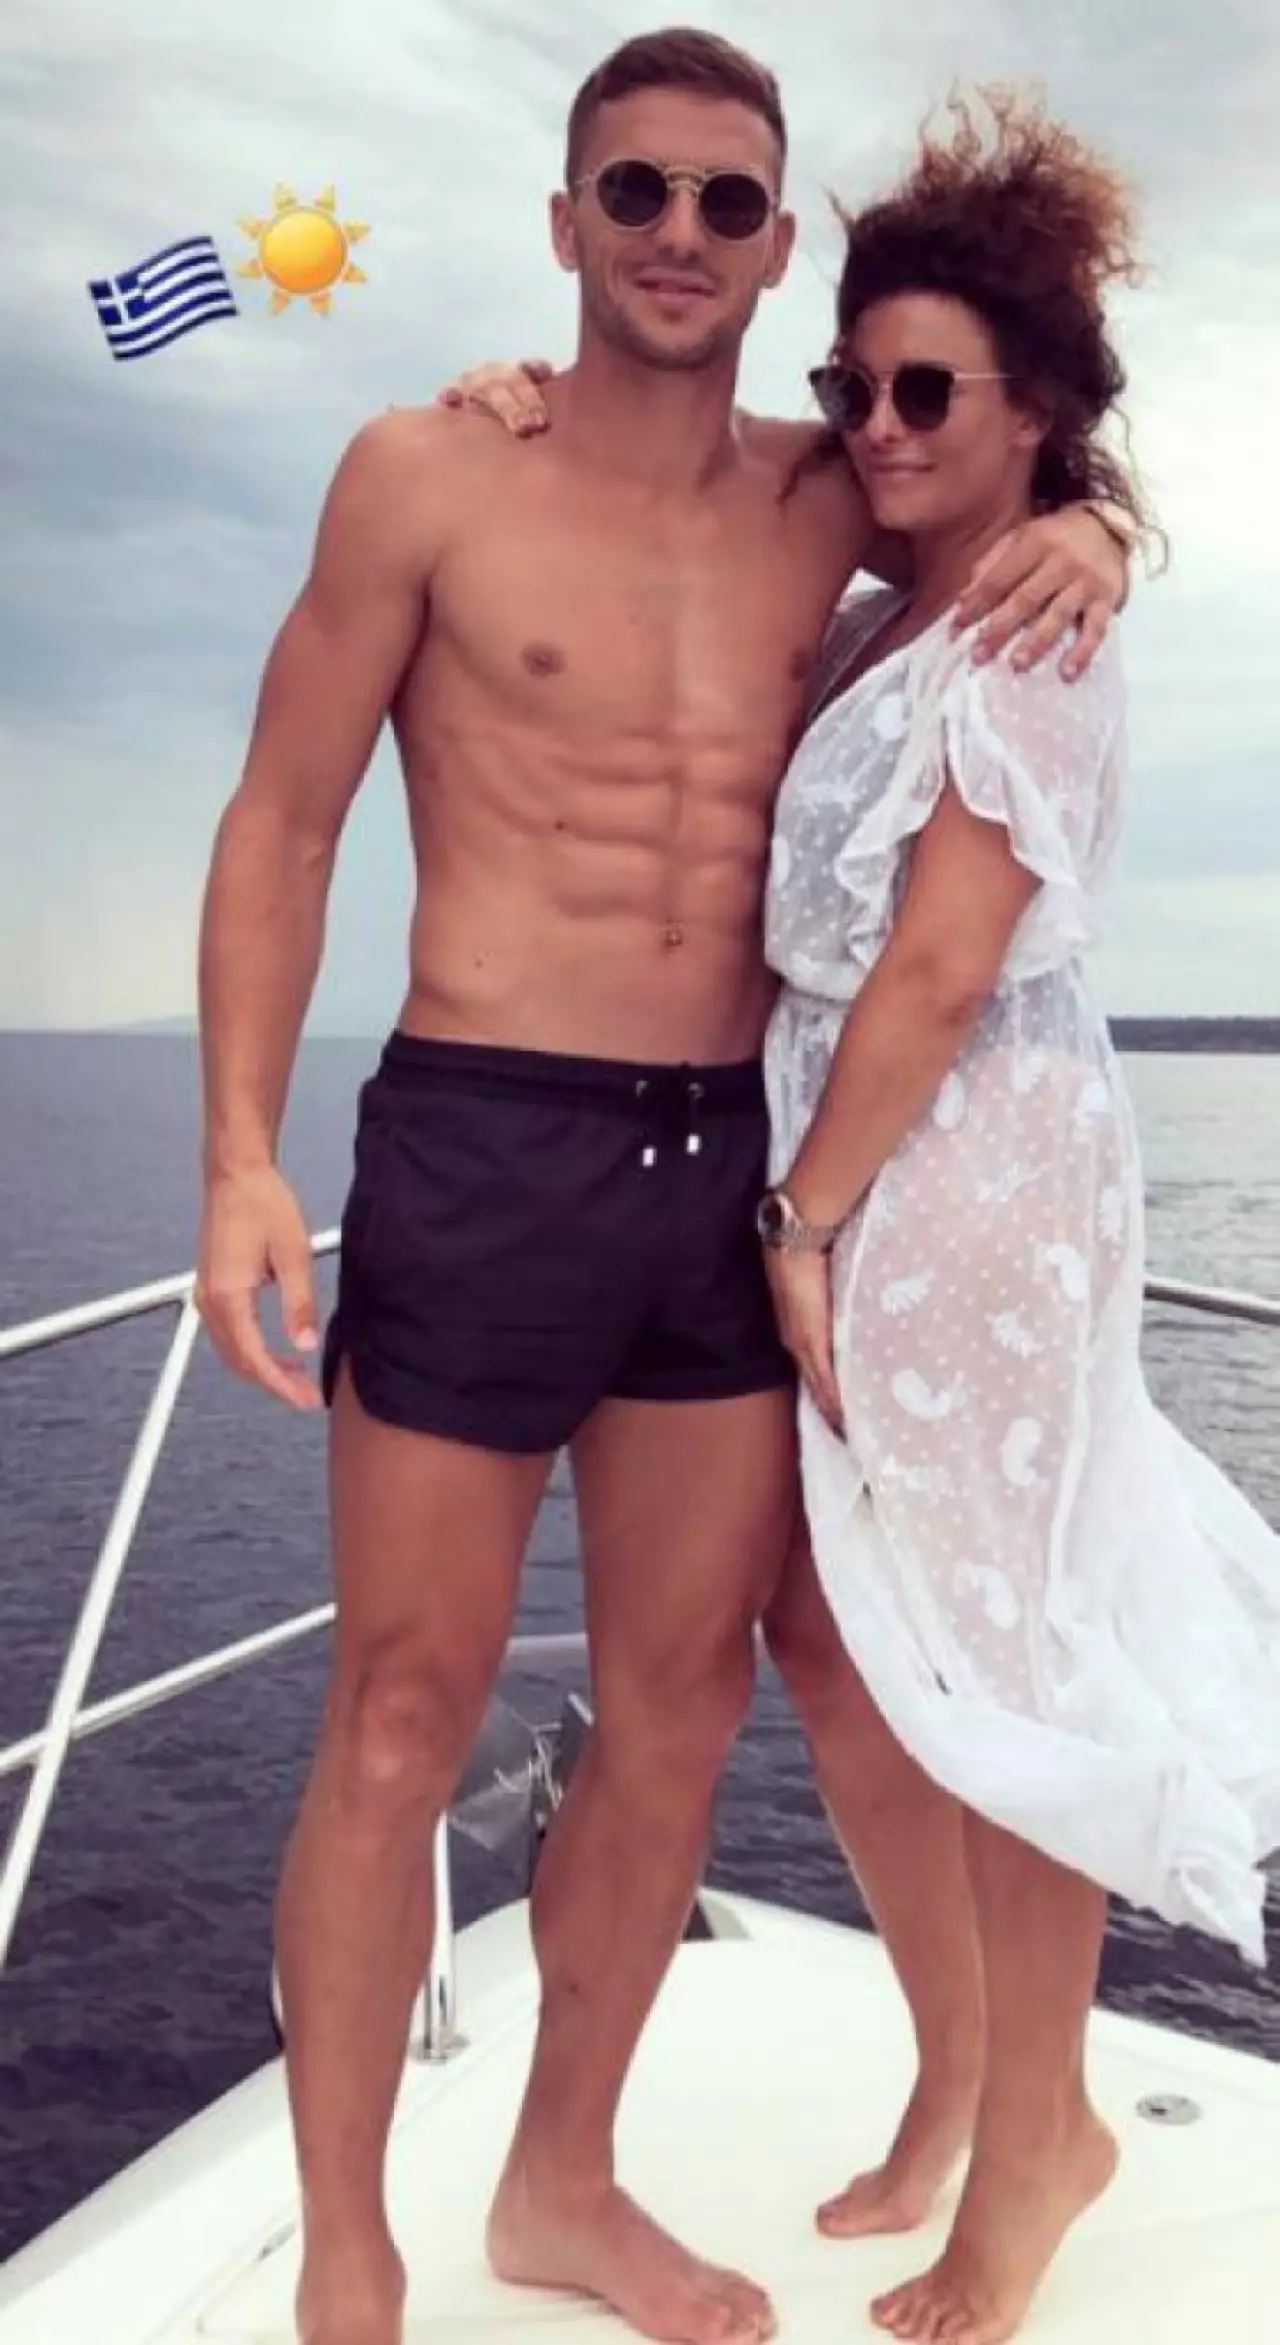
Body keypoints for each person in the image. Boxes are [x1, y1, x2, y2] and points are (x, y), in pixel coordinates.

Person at [192, 29, 1133, 2345]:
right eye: (637, 191)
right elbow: (284, 822)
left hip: (719, 1168)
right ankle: (346, 2245)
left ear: (779, 239)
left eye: (727, 200)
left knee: (681, 1708)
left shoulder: (832, 493)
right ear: (566, 220)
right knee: (397, 1715)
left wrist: (1104, 527)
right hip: (484, 1139)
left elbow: (1013, 471)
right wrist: (235, 1154)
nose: (680, 234)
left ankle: (562, 2183)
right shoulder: (426, 471)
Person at [447, 82, 1280, 2345]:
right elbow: (673, 488)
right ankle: (960, 2079)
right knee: (837, 1647)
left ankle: (1038, 2145)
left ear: (1035, 420)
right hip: (849, 1162)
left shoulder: (1025, 633)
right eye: (858, 384)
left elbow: (930, 971)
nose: (879, 427)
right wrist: (510, 399)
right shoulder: (889, 608)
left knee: (996, 1665)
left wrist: (800, 1228)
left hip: (953, 1180)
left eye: (930, 394)